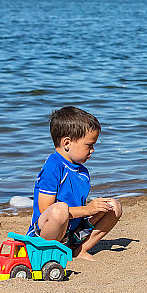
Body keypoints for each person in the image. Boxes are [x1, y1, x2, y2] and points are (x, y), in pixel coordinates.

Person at [26, 106, 122, 260]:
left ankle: (79, 249)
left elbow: (80, 207)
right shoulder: (53, 166)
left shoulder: (82, 172)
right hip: (45, 235)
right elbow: (46, 210)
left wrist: (93, 209)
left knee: (113, 206)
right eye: (89, 145)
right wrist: (88, 210)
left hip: (71, 234)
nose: (93, 150)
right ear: (67, 143)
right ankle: (45, 253)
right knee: (60, 210)